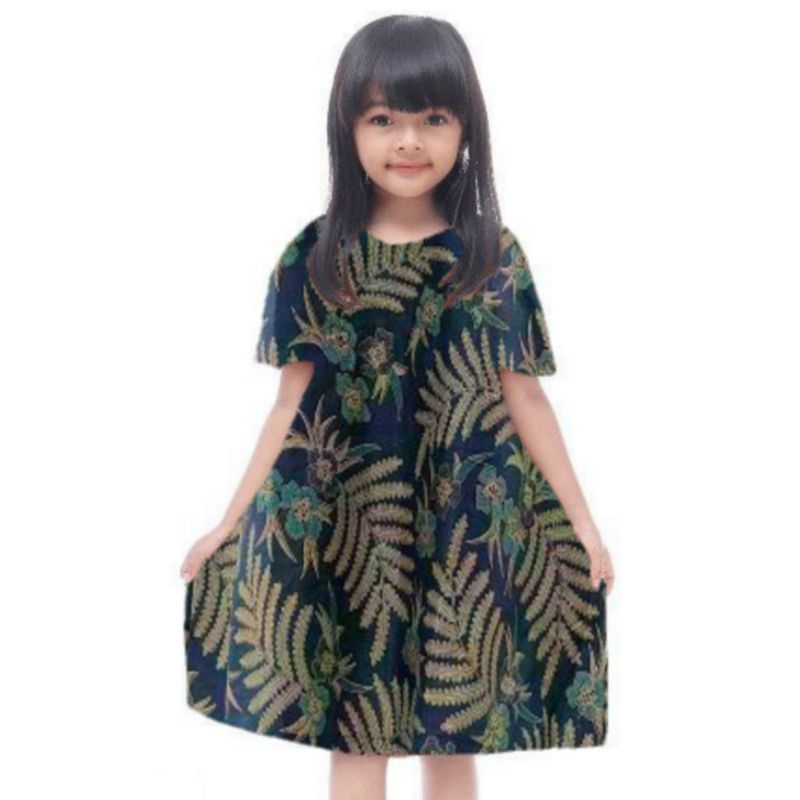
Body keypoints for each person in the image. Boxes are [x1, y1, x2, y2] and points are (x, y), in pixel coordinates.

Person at [180, 14, 614, 800]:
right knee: (358, 726)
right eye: (383, 118)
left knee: (456, 727)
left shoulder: (491, 257)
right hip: (353, 527)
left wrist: (581, 523)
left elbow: (525, 396)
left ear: (466, 129)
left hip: (463, 523)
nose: (408, 141)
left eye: (433, 118)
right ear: (347, 128)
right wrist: (229, 522)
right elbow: (290, 408)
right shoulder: (317, 258)